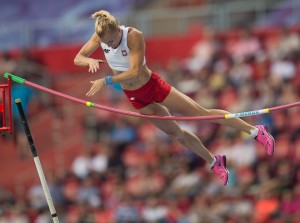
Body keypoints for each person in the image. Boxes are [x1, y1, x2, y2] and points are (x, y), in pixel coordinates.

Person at [74, 10, 275, 186]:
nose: (109, 45)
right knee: (175, 134)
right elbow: (78, 58)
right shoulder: (100, 37)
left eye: (111, 41)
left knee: (201, 114)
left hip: (153, 86)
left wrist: (106, 80)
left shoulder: (133, 36)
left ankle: (255, 131)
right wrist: (89, 60)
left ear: (118, 29)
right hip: (135, 96)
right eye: (106, 42)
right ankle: (215, 162)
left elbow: (134, 72)